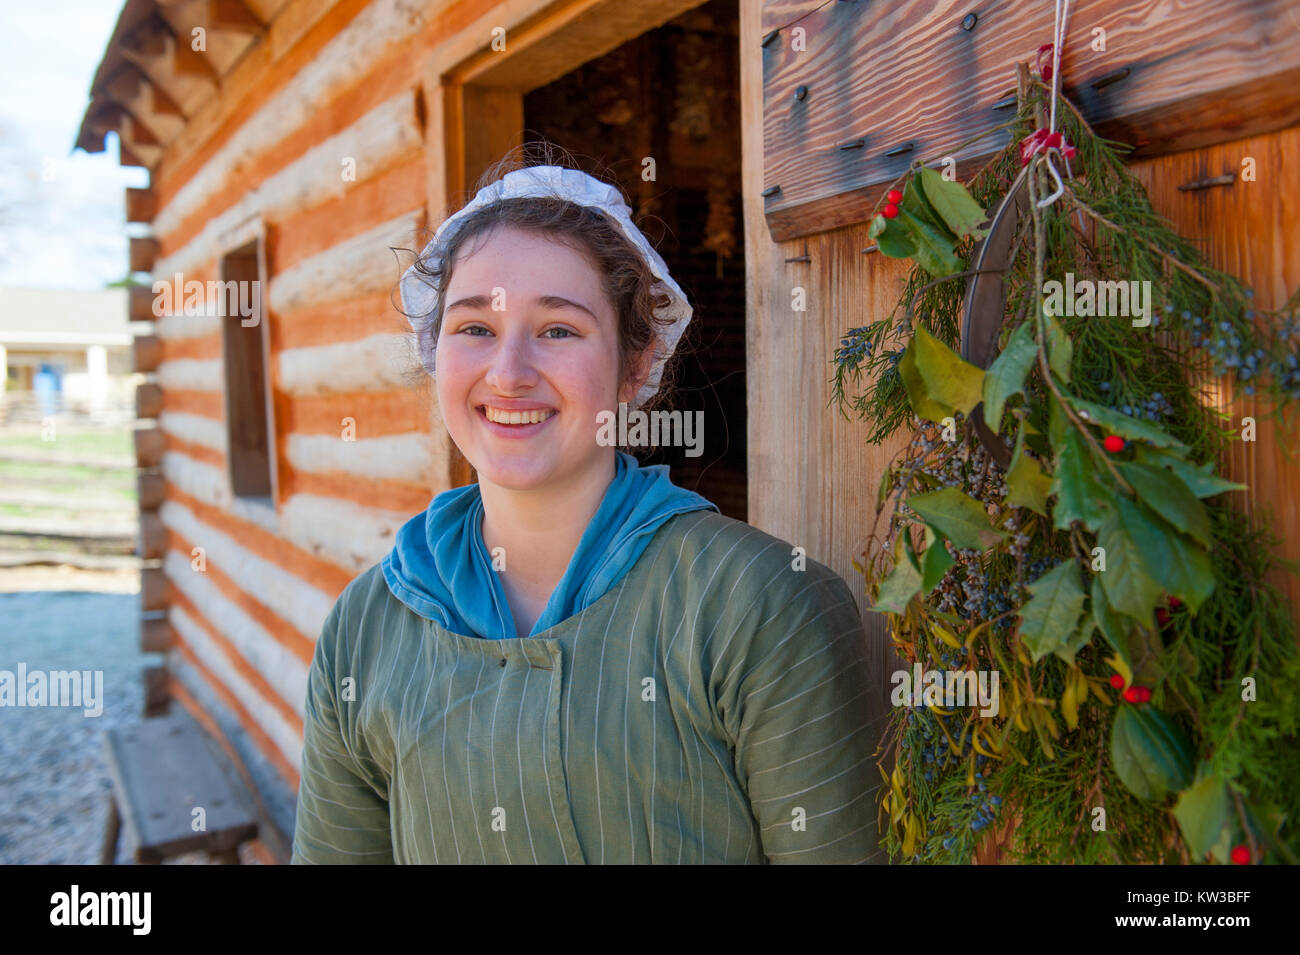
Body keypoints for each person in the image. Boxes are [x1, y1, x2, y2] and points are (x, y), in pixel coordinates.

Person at [290, 156, 881, 864]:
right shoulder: (365, 631)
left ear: (637, 363)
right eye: (474, 326)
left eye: (559, 330)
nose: (508, 372)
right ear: (433, 349)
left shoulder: (760, 607)